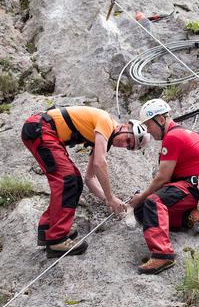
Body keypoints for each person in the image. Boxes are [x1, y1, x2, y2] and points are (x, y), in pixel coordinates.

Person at [21, 106, 150, 257]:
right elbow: (99, 163)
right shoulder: (106, 122)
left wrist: (108, 200)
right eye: (128, 139)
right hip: (40, 128)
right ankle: (56, 238)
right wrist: (110, 197)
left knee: (75, 181)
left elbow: (90, 179)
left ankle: (48, 229)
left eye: (129, 147)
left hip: (41, 130)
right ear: (125, 127)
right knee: (68, 180)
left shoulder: (103, 138)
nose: (124, 144)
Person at [130, 99, 199, 275]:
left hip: (194, 187)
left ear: (161, 119)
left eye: (148, 125)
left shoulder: (173, 137)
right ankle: (187, 218)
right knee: (141, 211)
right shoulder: (179, 134)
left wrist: (142, 196)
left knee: (153, 202)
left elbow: (163, 178)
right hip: (194, 186)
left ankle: (162, 255)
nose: (148, 131)